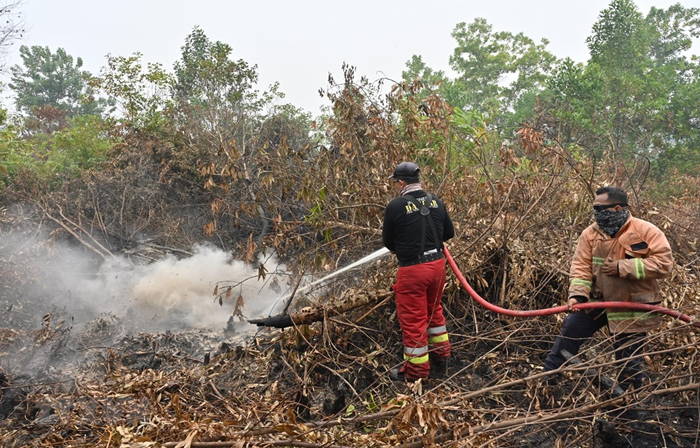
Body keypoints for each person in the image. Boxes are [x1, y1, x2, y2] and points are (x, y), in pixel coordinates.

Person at [544, 186, 673, 389]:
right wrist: (577, 295)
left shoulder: (646, 231)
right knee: (569, 332)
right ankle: (547, 383)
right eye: (594, 208)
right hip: (598, 302)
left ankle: (628, 406)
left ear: (617, 208)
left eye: (600, 208)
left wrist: (624, 267)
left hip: (633, 308)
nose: (596, 213)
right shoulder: (589, 234)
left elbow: (664, 264)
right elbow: (580, 267)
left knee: (628, 361)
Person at [382, 161, 455, 382]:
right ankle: (442, 357)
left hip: (413, 271)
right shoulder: (436, 201)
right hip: (438, 267)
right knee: (434, 313)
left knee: (414, 321)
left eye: (396, 182)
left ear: (402, 182)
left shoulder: (395, 206)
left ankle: (416, 372)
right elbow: (449, 233)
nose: (395, 186)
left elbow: (388, 243)